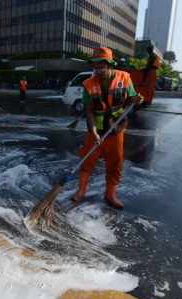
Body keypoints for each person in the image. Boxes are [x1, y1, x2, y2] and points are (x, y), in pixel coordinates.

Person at [70, 47, 144, 208]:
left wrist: (136, 100)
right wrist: (94, 132)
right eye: (95, 68)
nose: (98, 71)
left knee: (114, 163)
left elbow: (131, 99)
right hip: (95, 131)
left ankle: (110, 195)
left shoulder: (124, 78)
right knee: (86, 160)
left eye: (102, 67)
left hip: (115, 129)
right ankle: (81, 190)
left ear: (111, 65)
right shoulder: (89, 84)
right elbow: (88, 110)